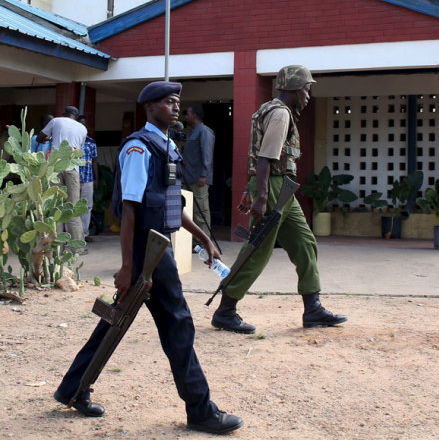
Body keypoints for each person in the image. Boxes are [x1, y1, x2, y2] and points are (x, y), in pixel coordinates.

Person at [53, 82, 244, 435]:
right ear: (150, 107)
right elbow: (130, 210)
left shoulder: (166, 145)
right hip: (146, 249)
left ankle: (72, 389)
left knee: (116, 319)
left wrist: (203, 238)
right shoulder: (139, 148)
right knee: (178, 325)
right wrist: (128, 267)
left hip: (157, 246)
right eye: (169, 103)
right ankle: (200, 411)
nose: (176, 108)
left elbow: (171, 203)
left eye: (178, 103)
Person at [212, 65, 347, 334]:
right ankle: (225, 311)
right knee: (257, 250)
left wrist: (252, 190)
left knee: (305, 242)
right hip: (273, 188)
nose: (308, 94)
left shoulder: (273, 110)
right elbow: (265, 157)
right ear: (295, 89)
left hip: (282, 188)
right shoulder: (280, 114)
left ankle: (313, 308)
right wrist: (261, 196)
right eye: (307, 89)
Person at [37, 106, 87, 243]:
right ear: (76, 117)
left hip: (55, 167)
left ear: (64, 114)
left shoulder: (56, 121)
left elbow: (39, 138)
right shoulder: (83, 129)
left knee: (55, 207)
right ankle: (77, 247)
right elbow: (79, 149)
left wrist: (51, 139)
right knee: (72, 208)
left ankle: (55, 246)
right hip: (72, 168)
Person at [182, 105, 215, 241]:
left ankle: (204, 242)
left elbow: (207, 154)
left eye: (187, 113)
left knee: (201, 211)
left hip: (198, 179)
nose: (186, 117)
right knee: (191, 211)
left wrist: (203, 175)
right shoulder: (194, 132)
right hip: (189, 178)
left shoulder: (204, 132)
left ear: (194, 115)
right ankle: (196, 241)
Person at [77, 115, 98, 242]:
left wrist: (96, 178)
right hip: (73, 178)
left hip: (88, 178)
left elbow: (95, 160)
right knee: (73, 207)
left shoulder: (91, 142)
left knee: (87, 206)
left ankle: (84, 234)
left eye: (84, 124)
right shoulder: (72, 140)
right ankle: (74, 235)